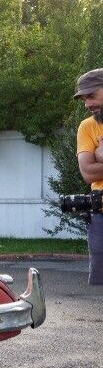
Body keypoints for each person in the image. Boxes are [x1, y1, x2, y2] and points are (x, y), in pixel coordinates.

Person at [73, 68, 103, 285]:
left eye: (91, 96)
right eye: (84, 99)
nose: (87, 104)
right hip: (100, 213)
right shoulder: (88, 126)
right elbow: (87, 172)